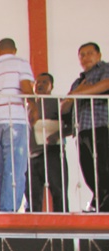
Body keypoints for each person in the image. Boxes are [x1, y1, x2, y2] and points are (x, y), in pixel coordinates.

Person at [0, 38, 35, 212]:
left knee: (0, 170)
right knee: (16, 168)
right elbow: (25, 87)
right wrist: (34, 107)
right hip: (15, 120)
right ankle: (8, 211)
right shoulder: (20, 64)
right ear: (14, 50)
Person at [61, 42, 109, 212]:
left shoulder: (104, 69)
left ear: (99, 55)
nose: (86, 57)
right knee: (88, 169)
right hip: (82, 129)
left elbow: (106, 84)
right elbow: (64, 107)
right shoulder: (78, 81)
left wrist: (78, 94)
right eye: (82, 55)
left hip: (102, 125)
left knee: (104, 166)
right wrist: (77, 92)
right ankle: (100, 200)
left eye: (90, 53)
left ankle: (103, 204)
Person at [28, 73, 68, 213]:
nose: (40, 85)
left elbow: (70, 125)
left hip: (52, 152)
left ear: (51, 86)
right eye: (37, 82)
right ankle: (33, 229)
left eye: (45, 82)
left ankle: (63, 228)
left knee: (58, 192)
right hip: (32, 155)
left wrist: (57, 134)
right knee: (33, 196)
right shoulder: (29, 106)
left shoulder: (58, 102)